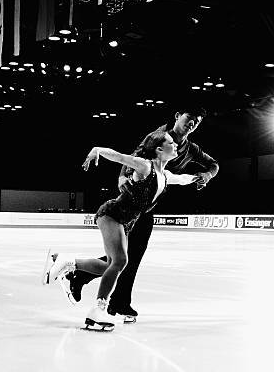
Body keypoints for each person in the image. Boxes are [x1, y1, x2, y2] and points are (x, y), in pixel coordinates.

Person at [56, 105, 219, 323]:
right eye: (190, 118)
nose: (193, 124)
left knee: (125, 258)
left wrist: (205, 175)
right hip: (129, 205)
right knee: (123, 259)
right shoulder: (159, 137)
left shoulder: (190, 148)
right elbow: (132, 157)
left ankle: (84, 279)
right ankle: (106, 298)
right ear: (178, 116)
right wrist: (122, 178)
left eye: (197, 121)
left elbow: (211, 166)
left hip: (146, 206)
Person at [43, 131, 197, 330]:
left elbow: (182, 179)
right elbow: (119, 157)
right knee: (121, 261)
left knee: (109, 265)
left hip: (123, 221)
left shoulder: (164, 176)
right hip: (112, 214)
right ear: (159, 149)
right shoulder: (145, 166)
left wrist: (199, 178)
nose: (175, 144)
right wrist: (97, 149)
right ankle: (99, 309)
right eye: (170, 142)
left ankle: (68, 261)